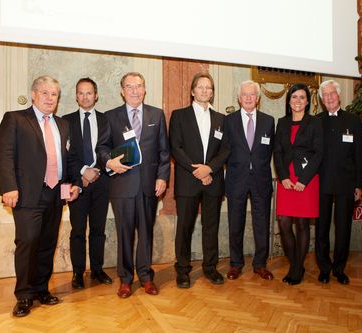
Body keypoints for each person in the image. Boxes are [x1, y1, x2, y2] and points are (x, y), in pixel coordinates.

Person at [0, 75, 81, 317]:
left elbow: (69, 159)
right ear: (33, 94)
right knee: (28, 243)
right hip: (27, 194)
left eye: (54, 94)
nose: (49, 98)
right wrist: (8, 187)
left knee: (47, 245)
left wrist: (74, 185)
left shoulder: (63, 125)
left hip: (56, 194)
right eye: (44, 93)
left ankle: (42, 290)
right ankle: (24, 295)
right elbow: (4, 155)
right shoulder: (16, 119)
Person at [97, 72, 170, 297]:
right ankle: (126, 279)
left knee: (146, 233)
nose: (135, 91)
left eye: (139, 86)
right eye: (130, 86)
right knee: (125, 233)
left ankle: (146, 277)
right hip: (122, 186)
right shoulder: (110, 116)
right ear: (122, 90)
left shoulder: (156, 115)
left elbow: (164, 152)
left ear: (144, 89)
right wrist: (109, 161)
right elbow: (101, 147)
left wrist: (162, 177)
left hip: (149, 186)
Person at [169, 72, 229, 288]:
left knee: (210, 227)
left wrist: (209, 170)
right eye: (201, 87)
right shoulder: (179, 115)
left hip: (212, 180)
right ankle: (183, 270)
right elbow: (175, 147)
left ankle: (210, 268)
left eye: (209, 87)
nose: (205, 91)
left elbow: (225, 150)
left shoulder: (222, 119)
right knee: (184, 227)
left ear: (212, 92)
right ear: (193, 91)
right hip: (188, 180)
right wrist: (198, 171)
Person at [223, 80, 275, 280]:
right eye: (244, 94)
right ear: (239, 98)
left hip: (261, 180)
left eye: (252, 95)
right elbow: (225, 150)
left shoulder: (268, 121)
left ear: (258, 98)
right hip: (236, 179)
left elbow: (270, 150)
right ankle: (236, 264)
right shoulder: (229, 121)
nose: (248, 98)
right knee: (235, 222)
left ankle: (260, 264)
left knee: (261, 223)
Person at [63, 78, 112, 289]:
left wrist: (96, 171)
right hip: (77, 183)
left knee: (98, 229)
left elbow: (110, 149)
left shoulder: (106, 120)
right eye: (81, 93)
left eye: (89, 93)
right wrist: (84, 172)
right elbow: (66, 155)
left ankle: (98, 270)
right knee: (78, 230)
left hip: (102, 182)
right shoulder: (65, 121)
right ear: (76, 96)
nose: (85, 96)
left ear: (96, 95)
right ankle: (77, 272)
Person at [274, 83, 323, 285]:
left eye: (302, 97)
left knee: (302, 224)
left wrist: (303, 180)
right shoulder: (282, 122)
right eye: (294, 97)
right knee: (284, 223)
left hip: (307, 179)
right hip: (286, 179)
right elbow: (277, 152)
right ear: (289, 100)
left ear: (307, 101)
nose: (298, 101)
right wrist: (284, 176)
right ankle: (296, 264)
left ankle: (296, 269)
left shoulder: (314, 123)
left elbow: (319, 153)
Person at [315, 79, 362, 285]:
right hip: (322, 183)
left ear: (338, 95)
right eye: (325, 95)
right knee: (321, 228)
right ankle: (324, 268)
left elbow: (358, 156)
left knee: (343, 229)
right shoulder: (316, 121)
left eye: (331, 94)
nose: (329, 98)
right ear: (321, 100)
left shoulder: (352, 120)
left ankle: (339, 269)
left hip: (346, 183)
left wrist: (359, 185)